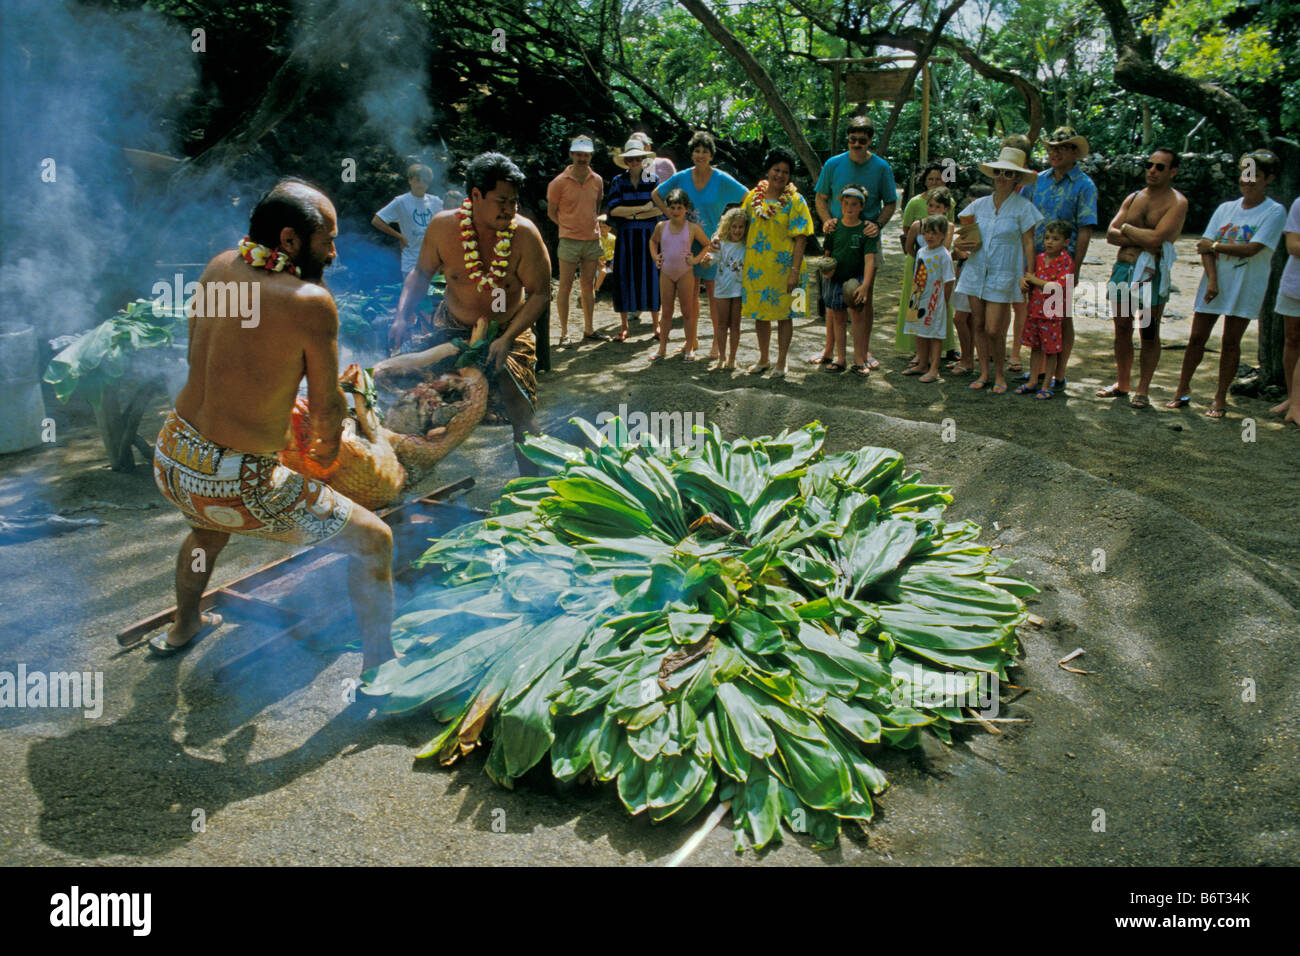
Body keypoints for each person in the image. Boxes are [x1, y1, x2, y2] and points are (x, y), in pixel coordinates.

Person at [152, 179, 395, 672]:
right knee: (376, 541)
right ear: (288, 241)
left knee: (206, 530)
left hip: (174, 457)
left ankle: (184, 626)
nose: (334, 251)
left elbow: (208, 356)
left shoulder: (220, 265)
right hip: (238, 483)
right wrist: (328, 454)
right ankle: (381, 664)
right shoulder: (309, 301)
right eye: (327, 238)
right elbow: (327, 409)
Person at [390, 152, 551, 472]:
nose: (510, 209)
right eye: (502, 201)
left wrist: (506, 338)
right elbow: (421, 274)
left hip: (507, 329)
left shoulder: (524, 234)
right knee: (417, 405)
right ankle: (401, 485)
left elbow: (540, 293)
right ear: (475, 195)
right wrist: (402, 315)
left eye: (514, 202)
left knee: (521, 410)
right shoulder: (443, 227)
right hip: (452, 326)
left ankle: (535, 491)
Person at [1168, 150, 1288, 417]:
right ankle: (1182, 389)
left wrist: (1217, 245)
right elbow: (1204, 247)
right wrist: (1212, 281)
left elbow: (1252, 248)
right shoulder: (1226, 209)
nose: (1247, 180)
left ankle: (1220, 397)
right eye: (1244, 173)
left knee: (1231, 342)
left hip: (1246, 284)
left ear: (1268, 178)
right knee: (1197, 337)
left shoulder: (1274, 211)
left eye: (1255, 175)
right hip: (1214, 283)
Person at [1096, 148, 1189, 407]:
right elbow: (1110, 234)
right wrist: (1140, 234)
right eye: (1149, 165)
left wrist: (1127, 228)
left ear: (1173, 171)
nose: (1152, 170)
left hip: (1150, 275)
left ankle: (1143, 389)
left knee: (1148, 330)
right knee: (1122, 328)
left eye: (1160, 167)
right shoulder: (1134, 197)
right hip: (1123, 270)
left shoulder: (1177, 203)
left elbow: (1158, 240)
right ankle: (1122, 383)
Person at [1013, 127, 1098, 388]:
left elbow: (1085, 229)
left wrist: (1076, 268)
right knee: (1037, 314)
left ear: (1075, 152)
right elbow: (1023, 218)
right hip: (1037, 261)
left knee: (1062, 316)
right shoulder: (1037, 180)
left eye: (1061, 147)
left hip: (1062, 264)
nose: (1054, 152)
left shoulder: (1084, 185)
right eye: (1051, 147)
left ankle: (1059, 372)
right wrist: (1026, 264)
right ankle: (1038, 370)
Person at [954, 146, 1042, 393]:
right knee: (978, 325)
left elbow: (1028, 241)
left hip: (1004, 272)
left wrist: (1029, 274)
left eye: (1009, 173)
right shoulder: (977, 206)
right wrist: (960, 245)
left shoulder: (1023, 208)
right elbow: (961, 236)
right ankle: (984, 373)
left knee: (995, 328)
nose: (1003, 177)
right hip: (975, 269)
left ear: (1017, 179)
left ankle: (1000, 374)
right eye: (999, 172)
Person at [654, 132, 748, 361]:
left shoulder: (721, 178)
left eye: (705, 151)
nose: (701, 155)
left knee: (715, 296)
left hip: (712, 244)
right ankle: (691, 341)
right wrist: (671, 217)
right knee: (690, 298)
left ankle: (716, 342)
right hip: (686, 245)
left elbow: (747, 195)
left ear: (711, 154)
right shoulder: (682, 177)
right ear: (692, 153)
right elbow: (656, 194)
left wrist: (729, 226)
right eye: (697, 151)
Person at [814, 116, 897, 371]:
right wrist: (828, 221)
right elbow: (821, 197)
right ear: (847, 139)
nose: (857, 144)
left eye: (863, 140)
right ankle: (830, 349)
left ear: (871, 140)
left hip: (866, 238)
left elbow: (891, 202)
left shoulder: (882, 167)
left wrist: (878, 225)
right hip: (839, 236)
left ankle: (862, 351)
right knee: (833, 298)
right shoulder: (833, 164)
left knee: (862, 298)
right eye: (853, 139)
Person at [740, 147, 814, 376]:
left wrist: (794, 271)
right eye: (776, 169)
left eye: (785, 171)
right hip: (757, 268)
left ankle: (782, 361)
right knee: (760, 314)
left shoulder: (795, 200)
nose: (780, 175)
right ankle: (763, 359)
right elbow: (740, 226)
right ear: (768, 170)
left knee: (785, 315)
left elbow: (801, 238)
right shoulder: (753, 197)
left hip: (787, 268)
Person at [894, 162, 956, 360]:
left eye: (938, 179)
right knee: (915, 306)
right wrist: (918, 256)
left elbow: (948, 236)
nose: (934, 182)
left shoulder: (950, 204)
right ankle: (917, 352)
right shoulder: (914, 203)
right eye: (930, 179)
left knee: (937, 307)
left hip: (939, 266)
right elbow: (907, 235)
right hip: (919, 264)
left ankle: (943, 348)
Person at [546, 135, 605, 344]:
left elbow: (596, 207)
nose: (582, 159)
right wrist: (566, 226)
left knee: (588, 286)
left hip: (591, 239)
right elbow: (551, 212)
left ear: (590, 156)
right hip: (569, 240)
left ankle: (589, 329)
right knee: (565, 286)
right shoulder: (558, 183)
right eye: (579, 155)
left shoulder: (597, 180)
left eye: (586, 155)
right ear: (571, 155)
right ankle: (564, 333)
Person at [818, 185, 878, 375]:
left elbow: (870, 260)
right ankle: (840, 358)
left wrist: (865, 286)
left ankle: (859, 359)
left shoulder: (866, 230)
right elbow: (826, 254)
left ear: (861, 206)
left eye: (854, 204)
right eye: (845, 203)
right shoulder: (833, 228)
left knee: (858, 317)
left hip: (856, 281)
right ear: (840, 204)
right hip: (835, 279)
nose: (849, 208)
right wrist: (825, 270)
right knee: (838, 317)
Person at [607, 139, 662, 339]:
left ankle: (656, 325)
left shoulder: (653, 179)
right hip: (626, 237)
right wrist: (641, 209)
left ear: (643, 158)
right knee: (623, 275)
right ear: (626, 161)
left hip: (650, 236)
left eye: (638, 157)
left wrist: (631, 214)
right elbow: (613, 211)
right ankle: (624, 327)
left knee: (652, 276)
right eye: (630, 158)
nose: (634, 161)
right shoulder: (618, 181)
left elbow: (659, 209)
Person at [649, 189, 714, 361]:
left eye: (679, 207)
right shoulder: (661, 226)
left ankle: (689, 347)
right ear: (667, 208)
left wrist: (696, 260)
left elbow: (707, 245)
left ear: (686, 209)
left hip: (685, 272)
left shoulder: (692, 228)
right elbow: (652, 241)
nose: (675, 211)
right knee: (667, 311)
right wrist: (655, 257)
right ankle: (662, 348)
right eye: (672, 207)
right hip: (666, 272)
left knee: (688, 311)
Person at [1016, 219, 1074, 399]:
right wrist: (1023, 282)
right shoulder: (1039, 258)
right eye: (1047, 237)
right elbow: (1027, 275)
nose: (1049, 242)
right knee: (1035, 347)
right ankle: (1033, 380)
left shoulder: (1066, 261)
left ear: (1065, 242)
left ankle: (1047, 384)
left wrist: (1034, 281)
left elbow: (1058, 286)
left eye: (1055, 239)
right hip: (1034, 310)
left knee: (1051, 350)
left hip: (1052, 314)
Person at [901, 214, 956, 383]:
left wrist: (944, 302)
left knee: (934, 335)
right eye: (927, 232)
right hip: (918, 299)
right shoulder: (921, 252)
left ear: (943, 236)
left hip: (935, 301)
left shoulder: (943, 255)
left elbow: (949, 280)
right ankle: (922, 364)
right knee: (919, 331)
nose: (930, 236)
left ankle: (934, 369)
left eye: (935, 233)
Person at [371, 163, 444, 279]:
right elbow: (377, 220)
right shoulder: (401, 201)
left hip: (433, 262)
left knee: (435, 295)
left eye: (425, 181)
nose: (421, 184)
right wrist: (399, 236)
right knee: (413, 296)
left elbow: (444, 226)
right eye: (417, 180)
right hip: (411, 262)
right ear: (410, 180)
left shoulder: (435, 201)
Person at [710, 205, 748, 370]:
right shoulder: (721, 243)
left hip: (739, 290)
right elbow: (711, 259)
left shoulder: (747, 245)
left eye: (741, 227)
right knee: (721, 324)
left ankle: (732, 358)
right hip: (722, 289)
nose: (737, 230)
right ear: (728, 226)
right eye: (734, 226)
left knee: (735, 325)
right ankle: (721, 357)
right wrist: (705, 260)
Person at [1274, 197, 1300, 425]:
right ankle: (1292, 398)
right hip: (1295, 283)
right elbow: (1293, 246)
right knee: (1292, 339)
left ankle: (1297, 404)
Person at [596, 214, 615, 294]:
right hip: (599, 261)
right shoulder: (596, 238)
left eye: (605, 227)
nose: (602, 229)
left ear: (610, 228)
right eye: (600, 227)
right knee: (603, 271)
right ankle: (596, 289)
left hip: (610, 260)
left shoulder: (613, 238)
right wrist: (600, 262)